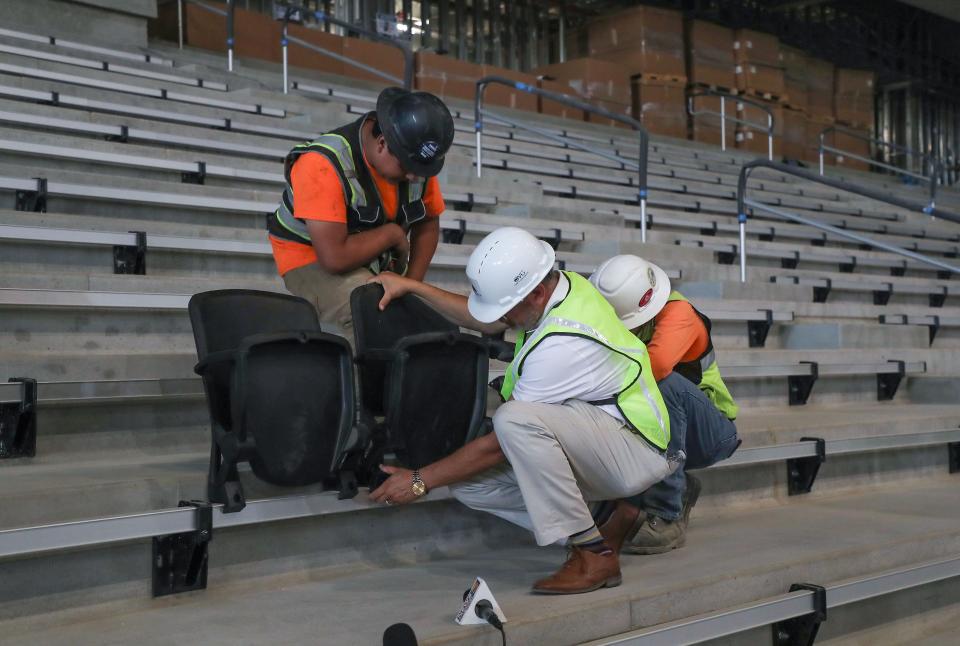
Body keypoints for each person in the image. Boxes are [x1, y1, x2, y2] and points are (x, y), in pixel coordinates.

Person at [366, 227, 725, 595]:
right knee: (468, 485)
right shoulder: (559, 286)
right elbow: (488, 320)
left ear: (535, 293)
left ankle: (592, 553)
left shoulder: (562, 343)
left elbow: (498, 444)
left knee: (513, 421)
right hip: (603, 430)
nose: (502, 319)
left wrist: (418, 480)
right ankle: (608, 517)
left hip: (638, 448)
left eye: (506, 309)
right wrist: (413, 287)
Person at [266, 86, 455, 335]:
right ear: (382, 143)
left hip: (370, 255)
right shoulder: (322, 165)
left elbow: (428, 223)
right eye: (406, 166)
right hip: (309, 256)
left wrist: (410, 285)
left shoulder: (413, 161)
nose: (413, 175)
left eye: (419, 168)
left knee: (425, 317)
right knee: (371, 312)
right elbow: (334, 258)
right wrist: (392, 235)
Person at [589, 254, 740, 554]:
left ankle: (667, 513)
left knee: (661, 384)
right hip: (677, 426)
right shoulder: (632, 310)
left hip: (712, 432)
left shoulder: (679, 313)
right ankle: (664, 491)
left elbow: (654, 367)